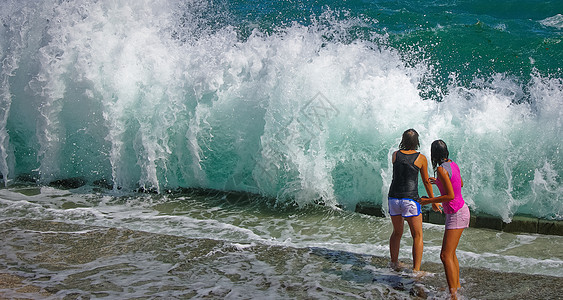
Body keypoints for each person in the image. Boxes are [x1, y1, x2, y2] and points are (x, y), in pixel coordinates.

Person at [418, 139, 469, 300]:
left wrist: (429, 201)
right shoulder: (452, 164)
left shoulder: (441, 169)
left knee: (445, 255)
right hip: (460, 210)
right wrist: (439, 181)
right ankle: (456, 286)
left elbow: (451, 195)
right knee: (451, 254)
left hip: (456, 213)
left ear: (434, 154)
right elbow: (459, 183)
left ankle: (453, 295)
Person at [387, 129, 438, 273]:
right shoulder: (420, 158)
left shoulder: (395, 155)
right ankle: (416, 270)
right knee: (417, 236)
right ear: (417, 142)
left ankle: (394, 263)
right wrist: (433, 200)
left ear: (403, 140)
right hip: (410, 200)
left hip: (394, 198)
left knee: (397, 232)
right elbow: (426, 182)